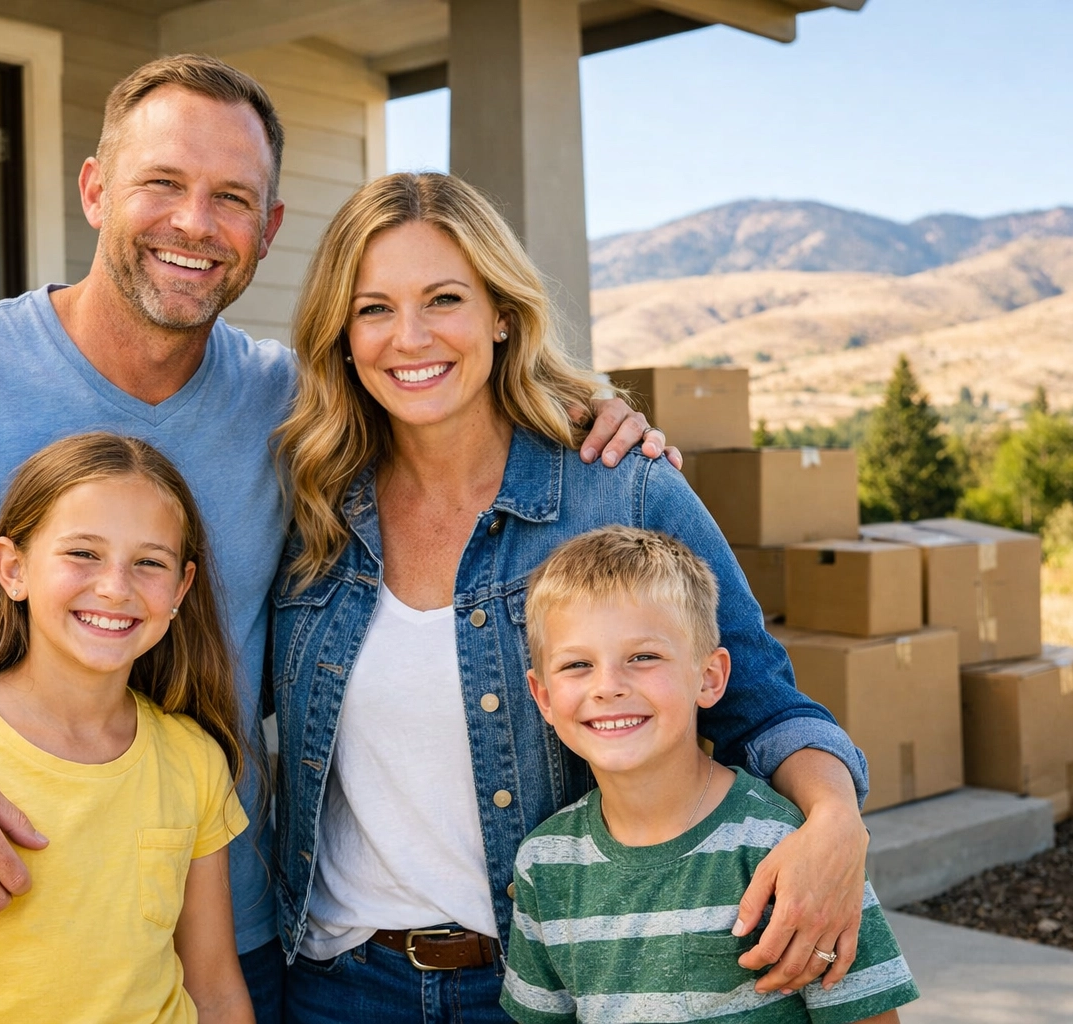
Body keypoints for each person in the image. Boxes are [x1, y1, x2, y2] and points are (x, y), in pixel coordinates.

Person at [0, 55, 665, 1024]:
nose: (194, 223)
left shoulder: (294, 409)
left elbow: (443, 390)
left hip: (228, 937)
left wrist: (587, 415)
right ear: (97, 190)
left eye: (231, 198)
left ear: (268, 230)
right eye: (163, 184)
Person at [270, 172, 875, 1024]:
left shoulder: (618, 488)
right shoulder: (309, 505)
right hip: (336, 984)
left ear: (501, 313)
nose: (409, 337)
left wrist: (835, 823)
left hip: (550, 981)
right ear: (340, 331)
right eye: (373, 309)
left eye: (444, 298)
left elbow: (761, 703)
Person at [0, 433, 253, 1023]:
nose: (115, 586)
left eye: (149, 562)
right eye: (83, 553)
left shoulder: (193, 759)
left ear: (181, 589)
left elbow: (214, 990)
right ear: (13, 569)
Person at [499, 526, 918, 1024]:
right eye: (577, 665)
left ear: (710, 677)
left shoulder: (789, 848)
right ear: (543, 695)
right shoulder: (544, 866)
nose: (608, 686)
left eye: (643, 657)